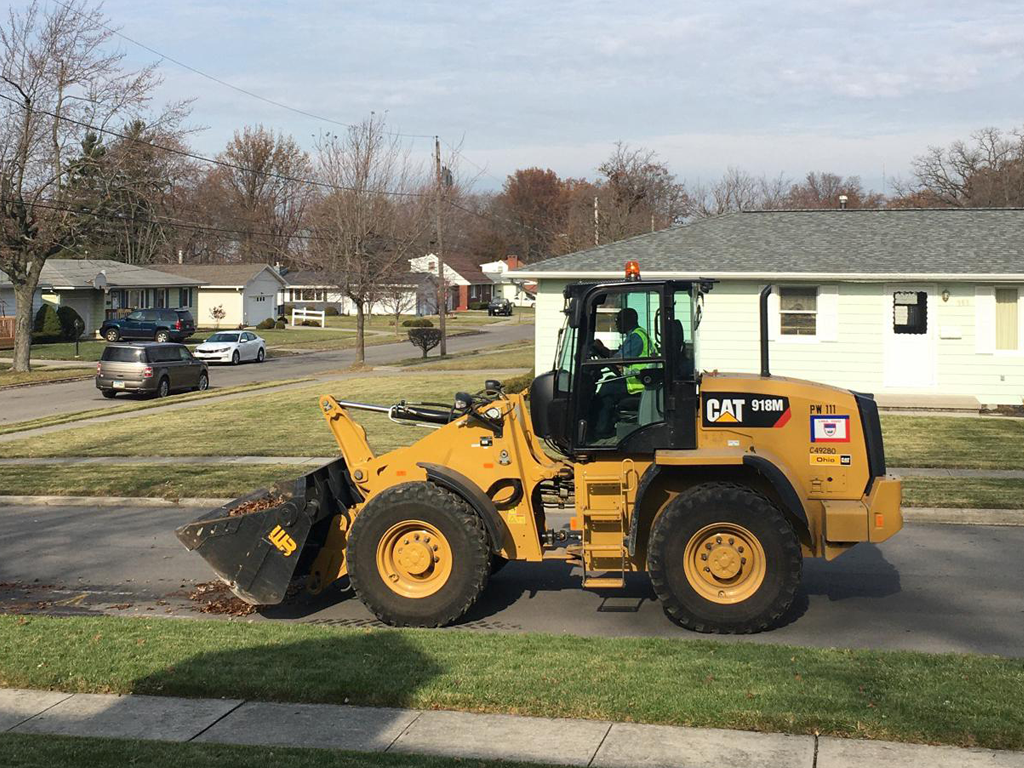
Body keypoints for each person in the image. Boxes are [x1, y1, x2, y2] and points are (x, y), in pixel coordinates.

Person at [589, 307, 652, 438]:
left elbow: (619, 358)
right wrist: (604, 351)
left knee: (607, 387)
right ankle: (605, 426)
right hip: (637, 379)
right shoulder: (636, 335)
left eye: (618, 320)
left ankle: (600, 430)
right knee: (610, 383)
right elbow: (620, 356)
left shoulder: (636, 337)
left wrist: (602, 352)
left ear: (627, 320)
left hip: (637, 383)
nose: (616, 324)